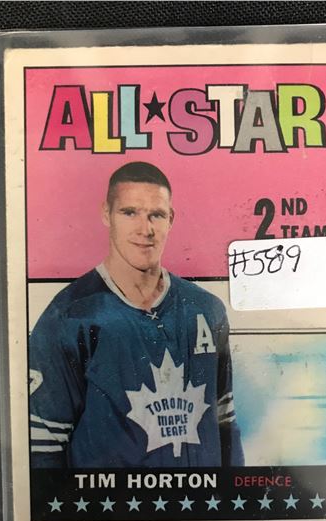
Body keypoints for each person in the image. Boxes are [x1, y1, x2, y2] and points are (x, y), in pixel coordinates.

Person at [28, 161, 244, 468]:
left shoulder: (206, 308)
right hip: (113, 498)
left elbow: (225, 421)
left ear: (171, 219)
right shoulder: (69, 315)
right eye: (129, 213)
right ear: (107, 214)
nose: (145, 229)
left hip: (201, 495)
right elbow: (44, 444)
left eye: (156, 214)